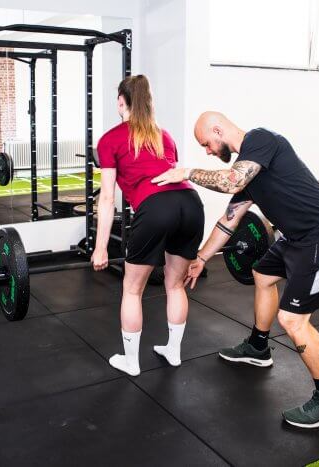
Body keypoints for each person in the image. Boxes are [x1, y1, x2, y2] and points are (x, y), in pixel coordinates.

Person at [151, 111, 319, 428]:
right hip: (297, 237)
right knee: (262, 274)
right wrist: (202, 258)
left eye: (206, 143)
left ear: (218, 130)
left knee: (292, 320)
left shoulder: (262, 141)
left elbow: (231, 179)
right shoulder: (250, 172)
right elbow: (229, 220)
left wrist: (188, 172)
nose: (207, 151)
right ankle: (259, 347)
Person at [92, 75, 205, 376]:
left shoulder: (110, 139)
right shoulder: (164, 136)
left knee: (132, 289)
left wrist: (101, 247)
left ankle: (131, 363)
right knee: (175, 284)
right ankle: (174, 352)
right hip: (191, 204)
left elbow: (106, 199)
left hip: (156, 208)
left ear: (121, 103)